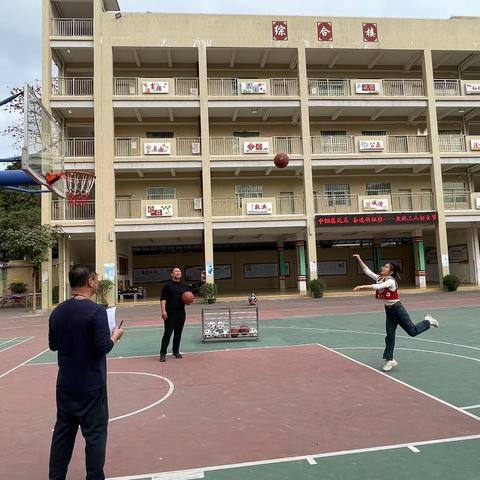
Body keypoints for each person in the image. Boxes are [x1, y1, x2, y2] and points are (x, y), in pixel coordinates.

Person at [48, 264, 124, 480]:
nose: (98, 282)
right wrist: (115, 335)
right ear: (90, 281)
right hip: (92, 385)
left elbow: (53, 345)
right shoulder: (97, 312)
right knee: (95, 435)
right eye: (96, 279)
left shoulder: (58, 311)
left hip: (65, 384)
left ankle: (56, 477)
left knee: (63, 434)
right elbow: (103, 347)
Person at [352, 254, 439, 372]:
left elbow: (378, 286)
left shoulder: (390, 281)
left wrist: (362, 286)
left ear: (391, 272)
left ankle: (428, 321)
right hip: (389, 311)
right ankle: (390, 360)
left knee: (412, 332)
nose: (383, 267)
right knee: (389, 335)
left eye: (386, 267)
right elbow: (366, 271)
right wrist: (359, 259)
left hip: (398, 310)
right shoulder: (379, 277)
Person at [160, 266, 190, 362]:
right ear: (172, 274)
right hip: (170, 314)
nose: (178, 272)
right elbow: (163, 299)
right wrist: (163, 311)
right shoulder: (167, 286)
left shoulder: (184, 287)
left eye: (179, 271)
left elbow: (187, 300)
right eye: (176, 271)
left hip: (181, 313)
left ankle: (175, 351)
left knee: (178, 334)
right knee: (168, 333)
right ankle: (162, 353)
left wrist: (189, 300)